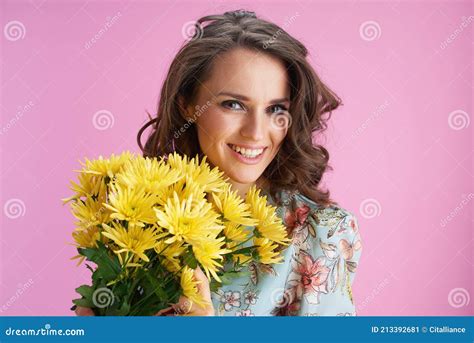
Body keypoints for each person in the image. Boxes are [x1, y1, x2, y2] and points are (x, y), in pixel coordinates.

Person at [76, 9, 362, 317]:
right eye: (234, 104)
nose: (255, 132)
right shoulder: (137, 214)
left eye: (275, 108)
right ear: (187, 104)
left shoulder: (323, 233)